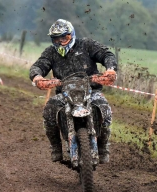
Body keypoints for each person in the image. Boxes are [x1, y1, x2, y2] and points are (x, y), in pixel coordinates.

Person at [29, 19, 117, 164]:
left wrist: (110, 69)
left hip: (90, 90)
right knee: (49, 111)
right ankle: (56, 148)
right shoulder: (50, 52)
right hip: (64, 94)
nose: (61, 41)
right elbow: (38, 66)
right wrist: (38, 77)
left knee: (105, 109)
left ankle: (103, 148)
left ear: (71, 35)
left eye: (64, 37)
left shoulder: (87, 45)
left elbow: (107, 54)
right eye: (56, 39)